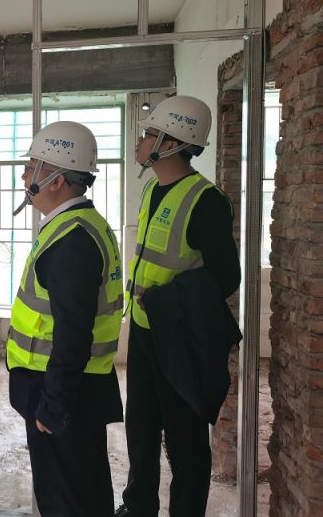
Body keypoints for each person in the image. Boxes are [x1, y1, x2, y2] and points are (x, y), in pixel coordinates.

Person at [115, 96, 241, 517]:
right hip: (144, 330)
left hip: (180, 338)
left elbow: (227, 278)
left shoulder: (206, 200)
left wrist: (166, 300)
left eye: (149, 134)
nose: (141, 140)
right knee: (141, 426)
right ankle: (138, 507)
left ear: (171, 144)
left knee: (185, 438)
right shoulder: (152, 189)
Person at [7, 121, 125, 517]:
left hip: (61, 391)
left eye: (32, 167)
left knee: (65, 500)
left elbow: (73, 335)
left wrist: (53, 406)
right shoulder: (78, 225)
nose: (24, 176)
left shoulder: (72, 240)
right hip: (74, 387)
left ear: (56, 180)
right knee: (84, 490)